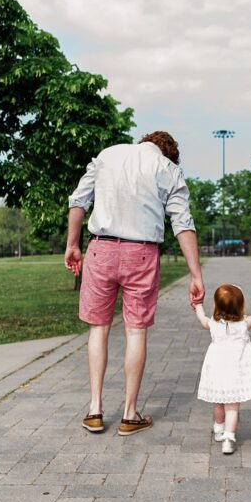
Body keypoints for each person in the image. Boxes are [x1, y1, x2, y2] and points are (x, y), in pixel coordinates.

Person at [65, 131, 205, 436]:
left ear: (144, 141)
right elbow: (182, 223)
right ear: (169, 153)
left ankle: (94, 409)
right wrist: (196, 274)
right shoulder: (168, 169)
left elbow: (78, 201)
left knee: (98, 329)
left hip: (100, 248)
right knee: (135, 330)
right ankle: (129, 414)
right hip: (141, 253)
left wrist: (72, 244)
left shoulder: (107, 155)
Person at [193, 284, 251, 454]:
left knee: (218, 402)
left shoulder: (213, 324)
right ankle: (229, 438)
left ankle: (219, 428)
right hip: (235, 373)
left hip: (216, 371)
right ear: (241, 306)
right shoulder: (244, 324)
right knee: (232, 407)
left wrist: (197, 304)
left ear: (216, 306)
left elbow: (201, 318)